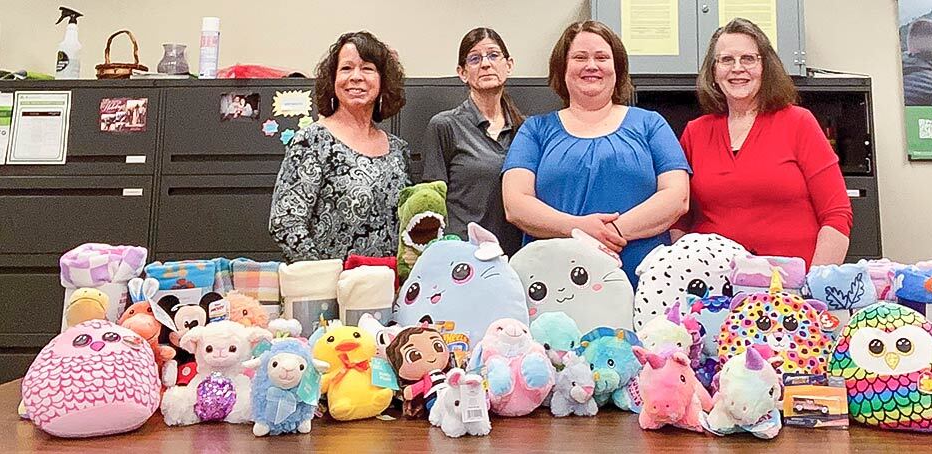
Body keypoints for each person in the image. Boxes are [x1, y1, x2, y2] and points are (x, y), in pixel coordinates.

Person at [502, 20, 690, 287]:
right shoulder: (535, 130)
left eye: (602, 57)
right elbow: (515, 204)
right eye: (580, 57)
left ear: (617, 68)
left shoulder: (651, 124)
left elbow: (677, 197)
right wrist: (578, 229)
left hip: (645, 283)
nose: (591, 65)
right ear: (563, 69)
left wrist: (611, 232)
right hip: (554, 286)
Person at [669, 18, 852, 268]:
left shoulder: (799, 123)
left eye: (748, 59)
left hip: (792, 290)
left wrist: (814, 284)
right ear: (713, 71)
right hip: (716, 292)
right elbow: (680, 218)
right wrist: (687, 274)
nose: (737, 68)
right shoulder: (695, 132)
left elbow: (836, 215)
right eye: (726, 60)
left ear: (765, 68)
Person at [269, 31, 411, 262]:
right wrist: (329, 281)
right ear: (333, 80)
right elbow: (286, 224)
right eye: (346, 68)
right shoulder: (312, 141)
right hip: (331, 292)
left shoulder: (398, 150)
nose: (356, 76)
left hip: (388, 290)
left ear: (383, 80)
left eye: (367, 68)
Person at [421, 28, 524, 254]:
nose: (485, 64)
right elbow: (432, 202)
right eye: (475, 59)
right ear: (462, 72)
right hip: (464, 259)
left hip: (515, 259)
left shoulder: (526, 131)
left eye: (493, 55)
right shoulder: (445, 126)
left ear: (509, 65)